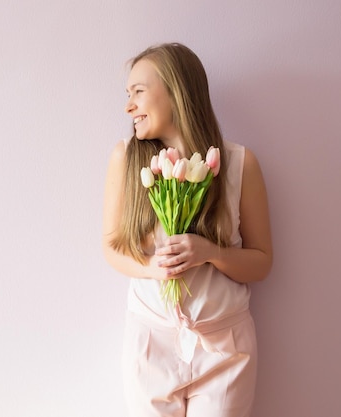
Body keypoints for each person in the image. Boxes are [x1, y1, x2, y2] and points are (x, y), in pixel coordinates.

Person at [102, 43, 273, 417]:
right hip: (151, 343)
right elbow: (112, 248)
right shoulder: (125, 159)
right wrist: (153, 269)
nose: (128, 106)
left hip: (224, 349)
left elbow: (261, 263)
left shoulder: (240, 165)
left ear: (175, 92)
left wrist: (211, 253)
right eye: (127, 95)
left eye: (138, 92)